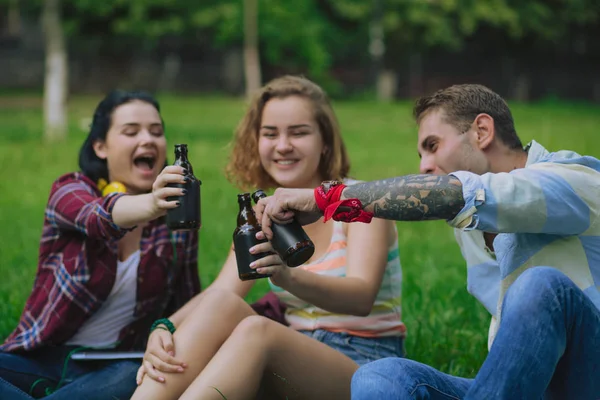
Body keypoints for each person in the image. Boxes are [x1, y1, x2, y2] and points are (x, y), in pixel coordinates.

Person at [255, 84, 600, 400]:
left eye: (432, 147)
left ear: (482, 131)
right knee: (380, 377)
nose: (424, 166)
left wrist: (326, 200)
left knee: (540, 286)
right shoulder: (472, 229)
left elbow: (456, 196)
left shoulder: (573, 182)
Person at [131, 75, 405, 400]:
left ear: (325, 142)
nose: (282, 145)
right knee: (223, 305)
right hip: (292, 357)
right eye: (270, 133)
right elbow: (219, 294)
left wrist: (286, 276)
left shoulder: (356, 201)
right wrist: (163, 327)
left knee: (257, 331)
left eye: (299, 132)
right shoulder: (263, 215)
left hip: (364, 365)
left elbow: (360, 298)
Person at [0, 90, 202, 400]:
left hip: (115, 366)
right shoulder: (70, 190)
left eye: (157, 132)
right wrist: (152, 202)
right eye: (131, 131)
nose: (148, 139)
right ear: (100, 146)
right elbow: (98, 218)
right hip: (40, 360)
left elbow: (187, 303)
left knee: (132, 375)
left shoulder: (178, 224)